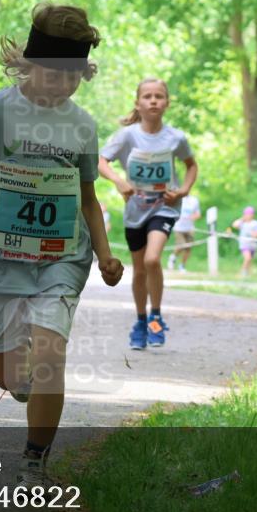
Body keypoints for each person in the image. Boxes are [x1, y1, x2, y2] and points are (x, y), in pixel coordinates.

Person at [0, 3, 123, 488]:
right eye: (52, 75)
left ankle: (35, 460)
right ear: (27, 65)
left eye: (72, 77)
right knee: (10, 375)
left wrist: (103, 254)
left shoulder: (82, 125)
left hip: (62, 258)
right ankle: (21, 390)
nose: (61, 85)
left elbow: (87, 195)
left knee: (50, 356)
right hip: (0, 260)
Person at [98, 78, 198, 350]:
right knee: (139, 270)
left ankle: (155, 317)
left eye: (158, 96)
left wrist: (182, 191)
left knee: (153, 259)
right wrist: (119, 182)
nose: (153, 100)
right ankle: (141, 321)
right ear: (138, 103)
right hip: (135, 210)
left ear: (166, 103)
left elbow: (191, 166)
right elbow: (101, 161)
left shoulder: (175, 137)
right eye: (147, 96)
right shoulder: (128, 136)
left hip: (164, 207)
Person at [167, 193, 201, 273]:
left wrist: (191, 217)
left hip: (189, 228)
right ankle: (173, 257)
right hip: (178, 227)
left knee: (188, 248)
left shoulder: (194, 200)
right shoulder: (177, 198)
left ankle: (182, 265)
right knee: (181, 245)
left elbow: (198, 214)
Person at [231, 206, 257, 278]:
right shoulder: (242, 223)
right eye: (247, 214)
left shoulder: (255, 223)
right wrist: (242, 219)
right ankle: (243, 272)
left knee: (250, 259)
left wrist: (254, 234)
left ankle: (247, 273)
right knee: (247, 258)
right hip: (244, 244)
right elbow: (234, 225)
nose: (248, 215)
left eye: (250, 214)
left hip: (253, 245)